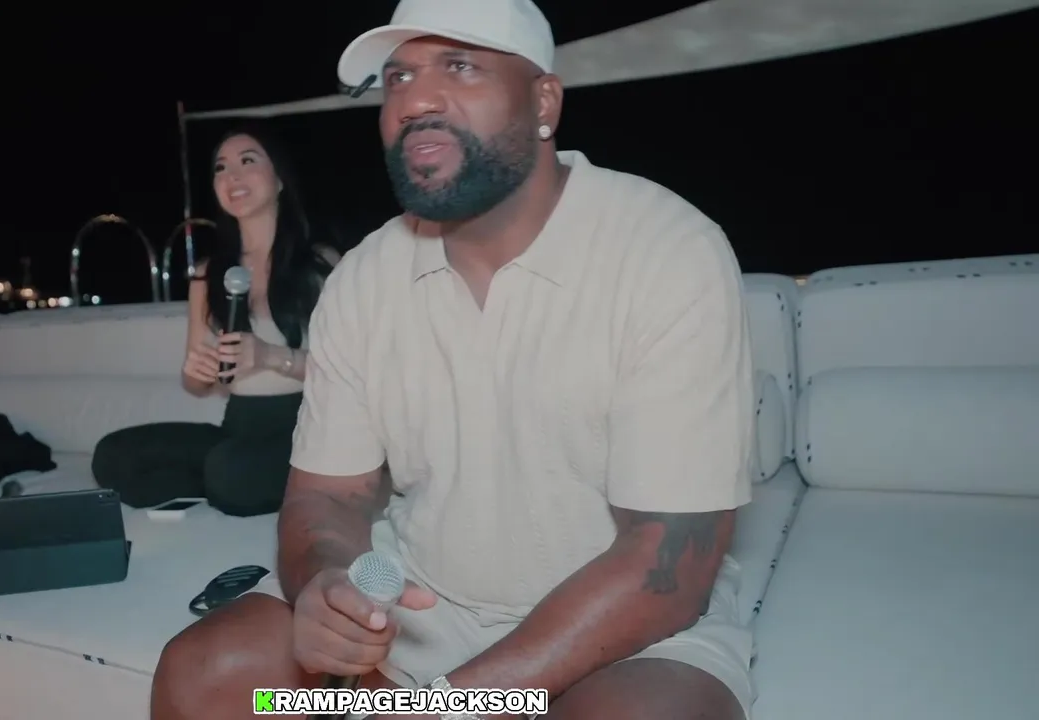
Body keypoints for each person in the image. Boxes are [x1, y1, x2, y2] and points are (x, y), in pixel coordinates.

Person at [150, 0, 757, 717]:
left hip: (621, 627)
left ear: (543, 102)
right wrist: (330, 588)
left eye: (460, 66)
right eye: (398, 77)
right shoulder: (364, 279)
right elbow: (329, 497)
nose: (415, 100)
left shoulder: (667, 251)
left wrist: (452, 705)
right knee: (204, 677)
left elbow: (667, 561)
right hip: (416, 606)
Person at [92, 124, 339, 516]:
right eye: (221, 168)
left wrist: (269, 356)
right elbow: (196, 384)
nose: (232, 176)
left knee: (230, 472)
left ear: (279, 180)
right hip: (239, 425)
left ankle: (233, 481)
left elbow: (348, 371)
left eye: (247, 161)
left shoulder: (320, 263)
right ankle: (223, 482)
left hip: (306, 425)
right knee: (112, 456)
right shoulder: (208, 274)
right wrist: (198, 371)